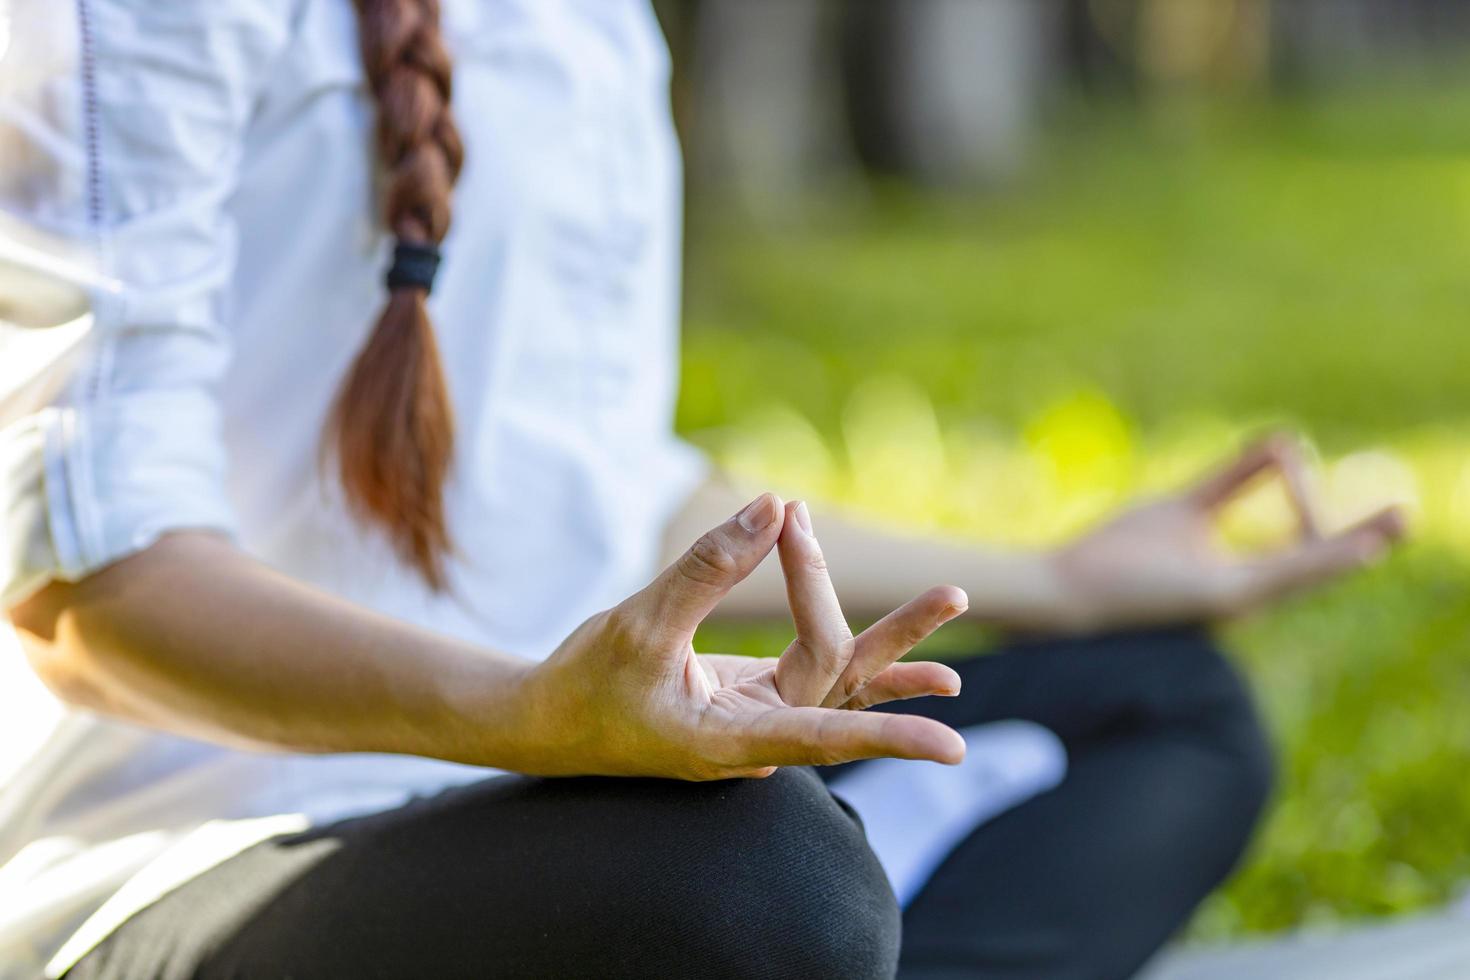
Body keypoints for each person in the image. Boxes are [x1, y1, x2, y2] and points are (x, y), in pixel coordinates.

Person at [0, 1, 1403, 978]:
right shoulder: (126, 18)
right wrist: (530, 719)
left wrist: (1066, 583)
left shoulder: (590, 22)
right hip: (195, 859)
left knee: (1160, 702)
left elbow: (610, 487)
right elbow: (89, 592)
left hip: (565, 795)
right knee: (765, 888)